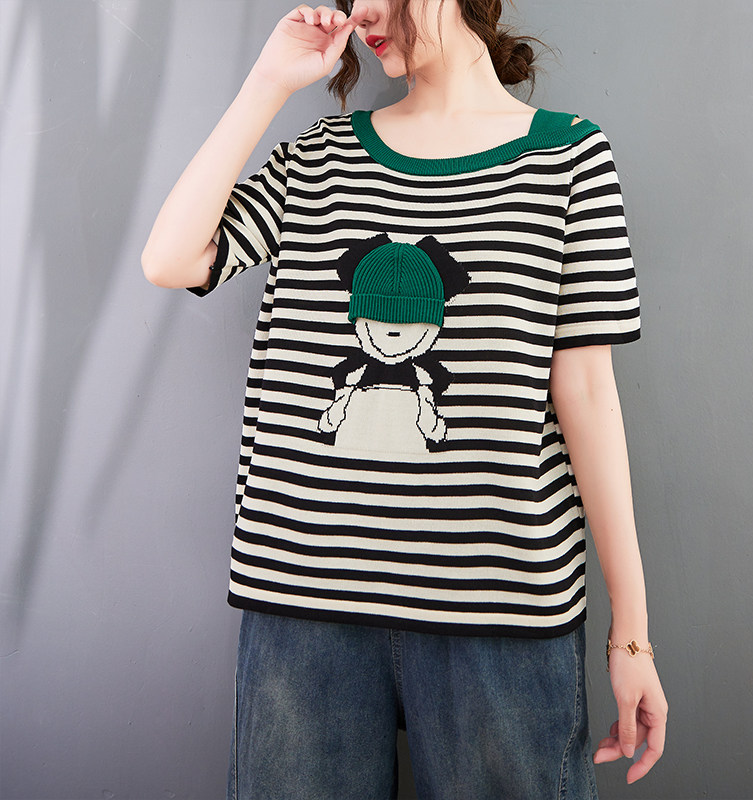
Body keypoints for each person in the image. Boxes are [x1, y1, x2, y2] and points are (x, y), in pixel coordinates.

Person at [142, 2, 668, 797]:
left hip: (500, 606)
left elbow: (588, 393)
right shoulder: (319, 158)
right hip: (304, 598)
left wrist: (632, 632)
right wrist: (268, 83)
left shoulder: (568, 157)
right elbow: (172, 258)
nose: (362, 13)